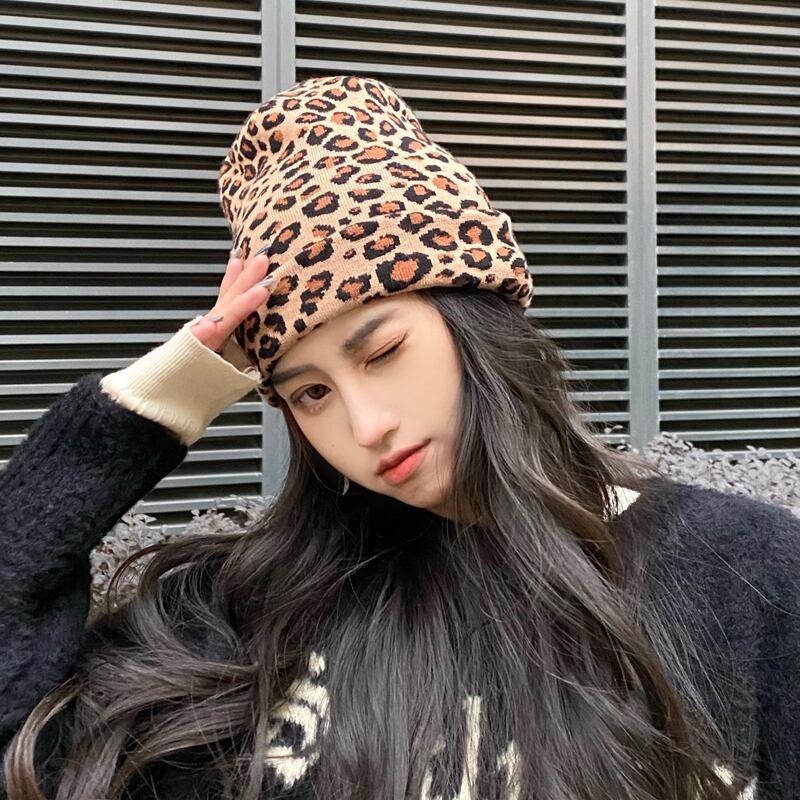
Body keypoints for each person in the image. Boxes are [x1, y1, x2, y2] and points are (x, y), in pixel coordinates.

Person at [1, 74, 798, 800]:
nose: (366, 426)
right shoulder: (254, 610)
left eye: (382, 352)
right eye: (310, 393)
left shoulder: (748, 572)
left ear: (477, 322)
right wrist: (149, 406)